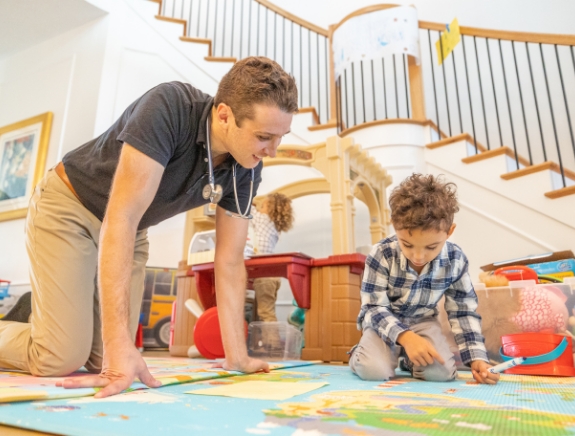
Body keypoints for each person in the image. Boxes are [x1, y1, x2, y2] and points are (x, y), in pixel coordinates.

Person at [0, 56, 298, 398]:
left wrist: (237, 356)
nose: (273, 150)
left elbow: (229, 261)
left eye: (280, 137)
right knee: (59, 355)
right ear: (224, 115)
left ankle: (49, 315)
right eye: (264, 136)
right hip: (70, 209)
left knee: (106, 360)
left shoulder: (247, 165)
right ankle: (44, 324)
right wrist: (117, 351)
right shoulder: (170, 107)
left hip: (130, 229)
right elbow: (121, 217)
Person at [349, 173, 499, 385]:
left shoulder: (455, 259)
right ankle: (361, 353)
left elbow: (463, 311)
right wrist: (406, 337)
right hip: (383, 322)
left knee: (442, 374)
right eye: (407, 244)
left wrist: (477, 358)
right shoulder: (381, 253)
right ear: (394, 225)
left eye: (431, 247)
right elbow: (373, 308)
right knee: (372, 370)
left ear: (449, 232)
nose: (418, 256)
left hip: (423, 321)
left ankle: (409, 361)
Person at [250, 193, 294, 322]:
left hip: (265, 276)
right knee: (265, 313)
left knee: (266, 314)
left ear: (271, 210)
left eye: (262, 206)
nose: (259, 209)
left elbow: (248, 211)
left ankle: (272, 342)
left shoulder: (264, 220)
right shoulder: (274, 227)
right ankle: (267, 341)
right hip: (272, 276)